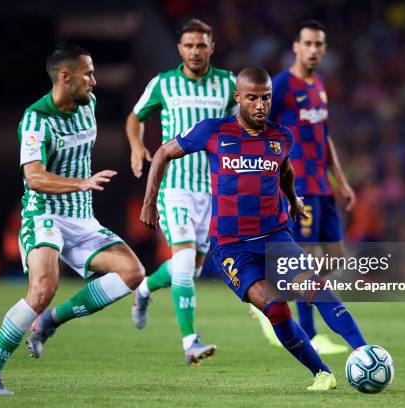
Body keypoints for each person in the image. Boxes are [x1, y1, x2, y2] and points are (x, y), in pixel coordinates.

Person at [140, 66, 367, 391]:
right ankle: (322, 374)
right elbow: (163, 152)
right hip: (231, 247)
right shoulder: (213, 131)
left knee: (315, 287)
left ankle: (363, 349)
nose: (260, 105)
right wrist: (149, 202)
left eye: (266, 98)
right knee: (275, 309)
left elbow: (285, 171)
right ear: (238, 98)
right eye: (252, 98)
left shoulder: (280, 137)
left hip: (276, 238)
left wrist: (292, 200)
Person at [0, 44, 144, 395]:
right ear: (65, 77)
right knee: (43, 288)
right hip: (44, 213)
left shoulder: (89, 105)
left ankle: (51, 321)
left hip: (82, 218)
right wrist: (82, 182)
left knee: (133, 273)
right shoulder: (36, 120)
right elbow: (34, 177)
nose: (95, 81)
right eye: (88, 74)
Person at [126, 18, 236, 364]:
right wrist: (135, 144)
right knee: (186, 260)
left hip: (212, 190)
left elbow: (239, 131)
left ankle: (144, 288)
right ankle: (191, 341)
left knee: (190, 268)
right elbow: (135, 117)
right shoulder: (163, 84)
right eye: (188, 45)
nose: (194, 51)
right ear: (179, 49)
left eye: (201, 45)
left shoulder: (229, 85)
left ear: (211, 47)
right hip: (174, 187)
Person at [250, 19, 355, 354]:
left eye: (318, 45)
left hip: (323, 186)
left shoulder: (319, 86)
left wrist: (341, 179)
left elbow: (325, 137)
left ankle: (274, 288)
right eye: (307, 43)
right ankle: (310, 333)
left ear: (324, 49)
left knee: (336, 257)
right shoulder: (280, 85)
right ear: (296, 46)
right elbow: (259, 127)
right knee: (307, 259)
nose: (313, 50)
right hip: (299, 188)